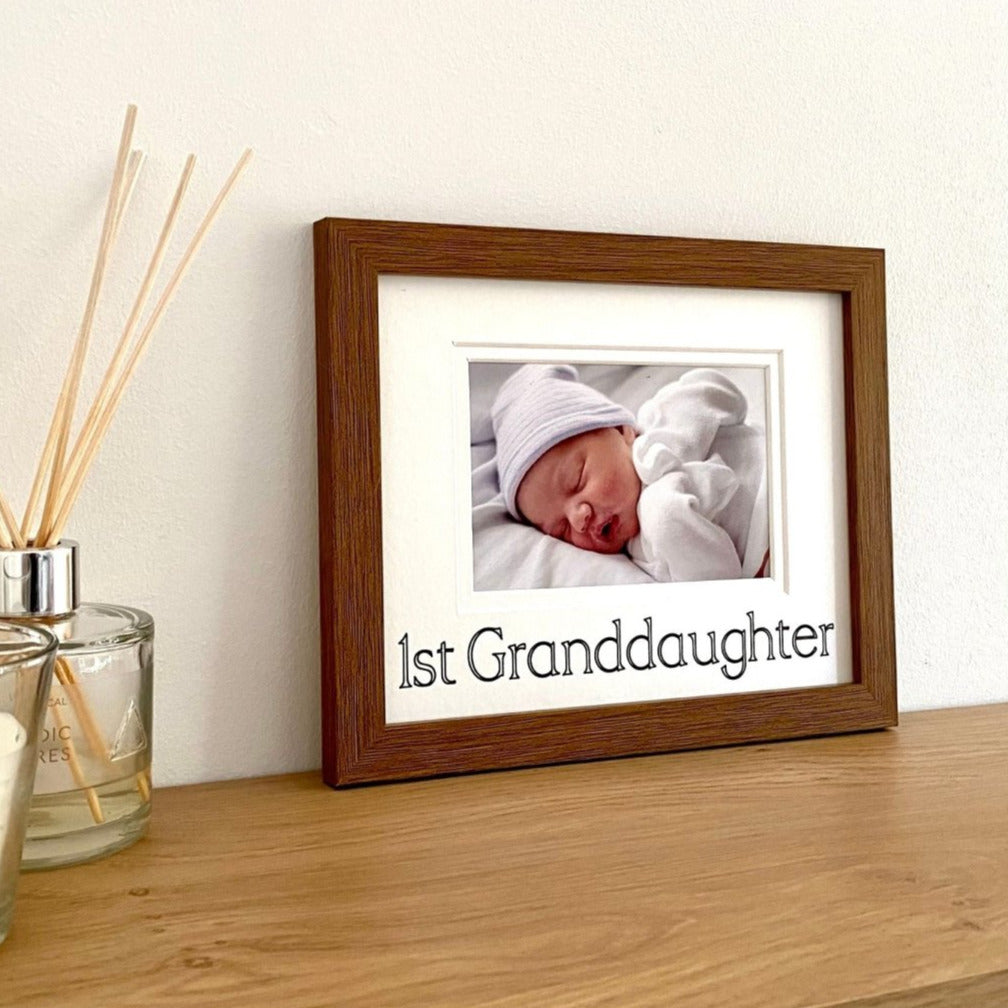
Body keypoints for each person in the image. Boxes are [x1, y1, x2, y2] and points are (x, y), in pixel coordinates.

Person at [490, 363, 764, 583]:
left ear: (622, 431)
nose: (578, 519)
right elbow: (717, 580)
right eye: (561, 530)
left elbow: (722, 394)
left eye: (578, 479)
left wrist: (671, 450)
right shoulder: (642, 554)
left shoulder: (660, 422)